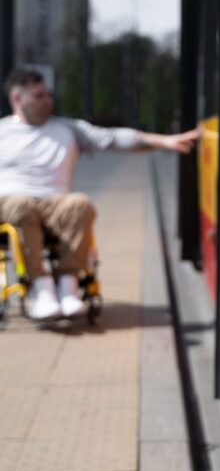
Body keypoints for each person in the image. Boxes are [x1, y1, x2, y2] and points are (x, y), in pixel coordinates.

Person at [0, 69, 200, 320]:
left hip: (55, 202)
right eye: (38, 96)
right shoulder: (3, 132)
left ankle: (68, 286)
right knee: (21, 204)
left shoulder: (67, 129)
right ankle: (41, 288)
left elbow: (114, 138)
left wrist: (164, 142)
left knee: (80, 203)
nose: (47, 101)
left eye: (47, 95)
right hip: (11, 202)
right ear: (17, 99)